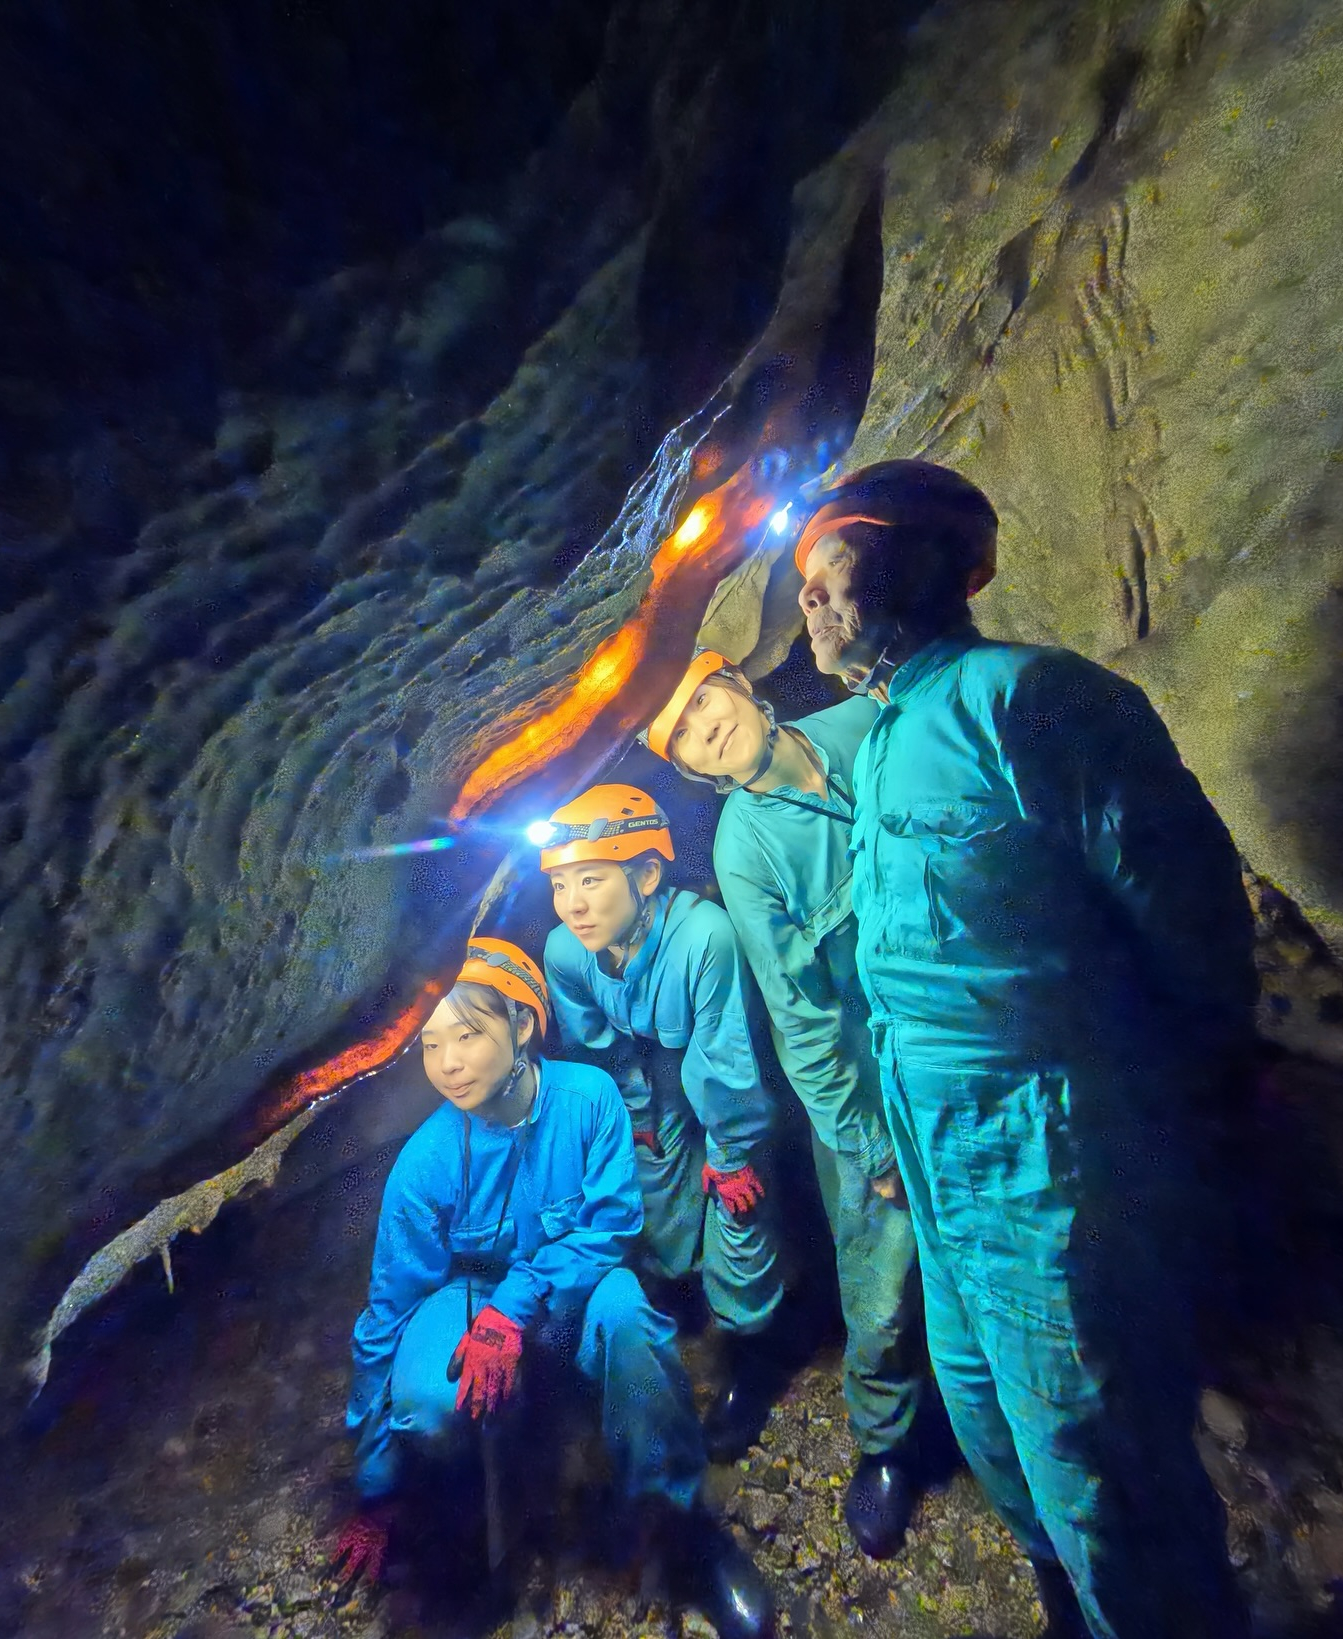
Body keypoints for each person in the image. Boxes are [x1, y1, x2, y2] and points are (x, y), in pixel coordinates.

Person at [791, 458, 1257, 1639]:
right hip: (939, 1157)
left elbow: (1184, 904)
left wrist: (1191, 1090)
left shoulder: (1032, 700)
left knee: (1094, 1449)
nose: (806, 599)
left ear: (914, 560)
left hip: (1047, 1151)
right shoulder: (885, 740)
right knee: (994, 1417)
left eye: (826, 565)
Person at [337, 937, 774, 1639]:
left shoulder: (589, 1100)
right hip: (470, 1301)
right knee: (423, 1397)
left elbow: (612, 1224)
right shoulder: (425, 1163)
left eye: (469, 1034)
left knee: (629, 1315)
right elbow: (387, 1315)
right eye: (430, 1043)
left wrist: (515, 1309)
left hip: (569, 1297)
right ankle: (464, 1524)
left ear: (523, 1024)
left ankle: (683, 1527)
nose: (447, 1062)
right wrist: (376, 1486)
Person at [640, 649, 926, 1560]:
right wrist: (867, 1147)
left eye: (705, 700)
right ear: (693, 768)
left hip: (960, 1031)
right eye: (683, 731)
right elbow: (802, 1020)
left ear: (744, 690)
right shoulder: (745, 848)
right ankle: (887, 1445)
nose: (705, 724)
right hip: (866, 1074)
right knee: (879, 1278)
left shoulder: (858, 725)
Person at [538, 785, 787, 1460]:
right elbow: (596, 1046)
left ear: (646, 874)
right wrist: (637, 1114)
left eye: (592, 879)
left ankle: (752, 1353)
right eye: (562, 884)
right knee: (656, 1182)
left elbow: (728, 1057)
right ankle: (682, 1293)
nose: (574, 903)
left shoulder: (704, 936)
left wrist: (732, 1152)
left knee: (738, 1208)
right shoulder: (567, 952)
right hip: (655, 1069)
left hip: (730, 1068)